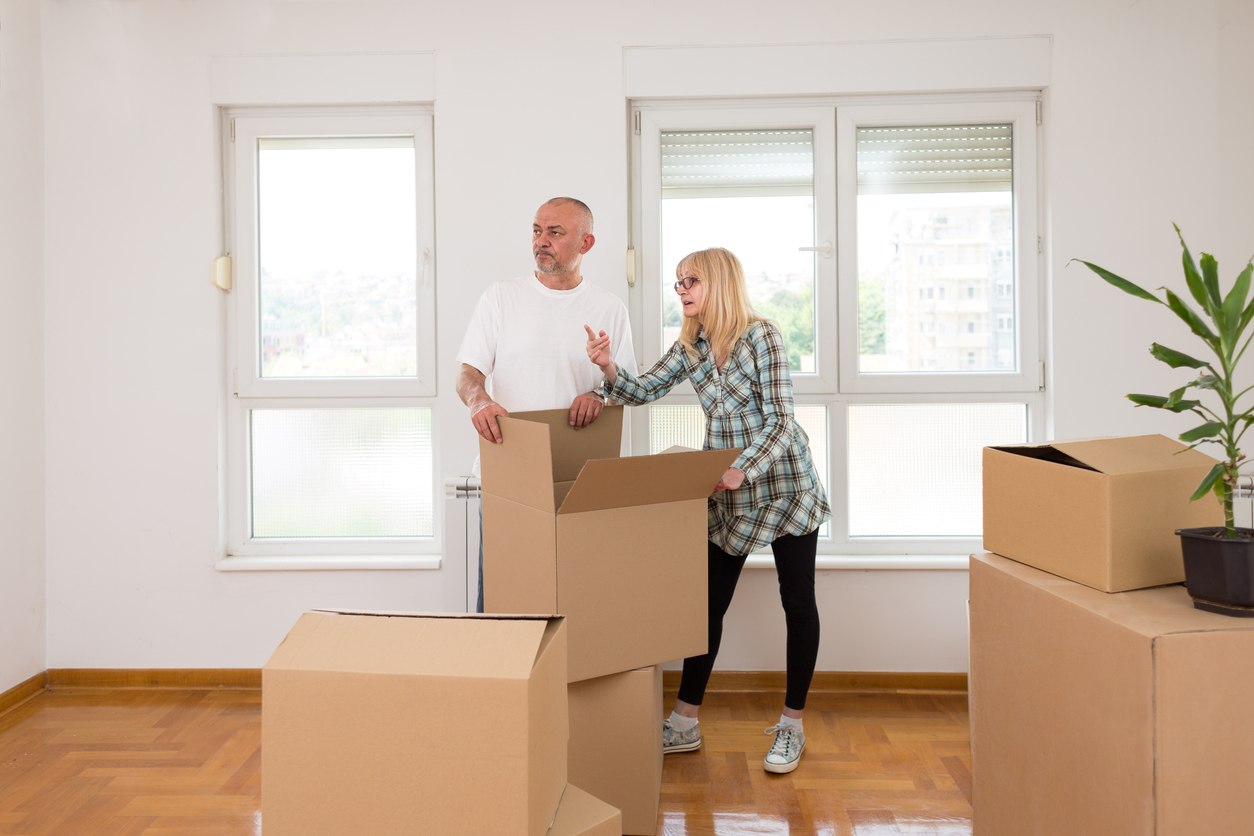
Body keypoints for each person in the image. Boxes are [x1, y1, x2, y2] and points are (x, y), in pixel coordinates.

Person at [584, 246, 829, 775]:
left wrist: (744, 466)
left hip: (784, 485)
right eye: (677, 283)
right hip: (727, 493)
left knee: (798, 602)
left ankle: (791, 726)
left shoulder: (762, 336)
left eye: (690, 280)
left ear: (718, 282)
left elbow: (783, 420)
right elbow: (643, 389)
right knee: (706, 606)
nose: (682, 290)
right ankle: (684, 722)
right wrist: (607, 366)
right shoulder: (690, 346)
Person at [456, 196, 636, 612]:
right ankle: (505, 677)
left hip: (581, 477)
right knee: (502, 597)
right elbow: (467, 374)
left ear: (586, 244)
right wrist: (478, 400)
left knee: (576, 595)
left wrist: (599, 394)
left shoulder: (609, 308)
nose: (542, 241)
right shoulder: (500, 298)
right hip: (508, 472)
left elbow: (627, 387)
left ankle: (562, 677)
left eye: (555, 233)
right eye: (537, 231)